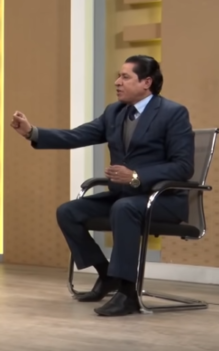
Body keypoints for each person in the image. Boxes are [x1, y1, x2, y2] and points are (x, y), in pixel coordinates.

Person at [10, 55, 194, 317]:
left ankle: (128, 294)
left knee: (124, 208)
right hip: (125, 198)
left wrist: (136, 175)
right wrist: (32, 132)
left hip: (162, 200)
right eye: (118, 76)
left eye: (125, 77)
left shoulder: (172, 113)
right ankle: (107, 275)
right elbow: (77, 136)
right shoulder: (114, 112)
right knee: (69, 211)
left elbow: (183, 166)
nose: (117, 82)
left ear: (146, 82)